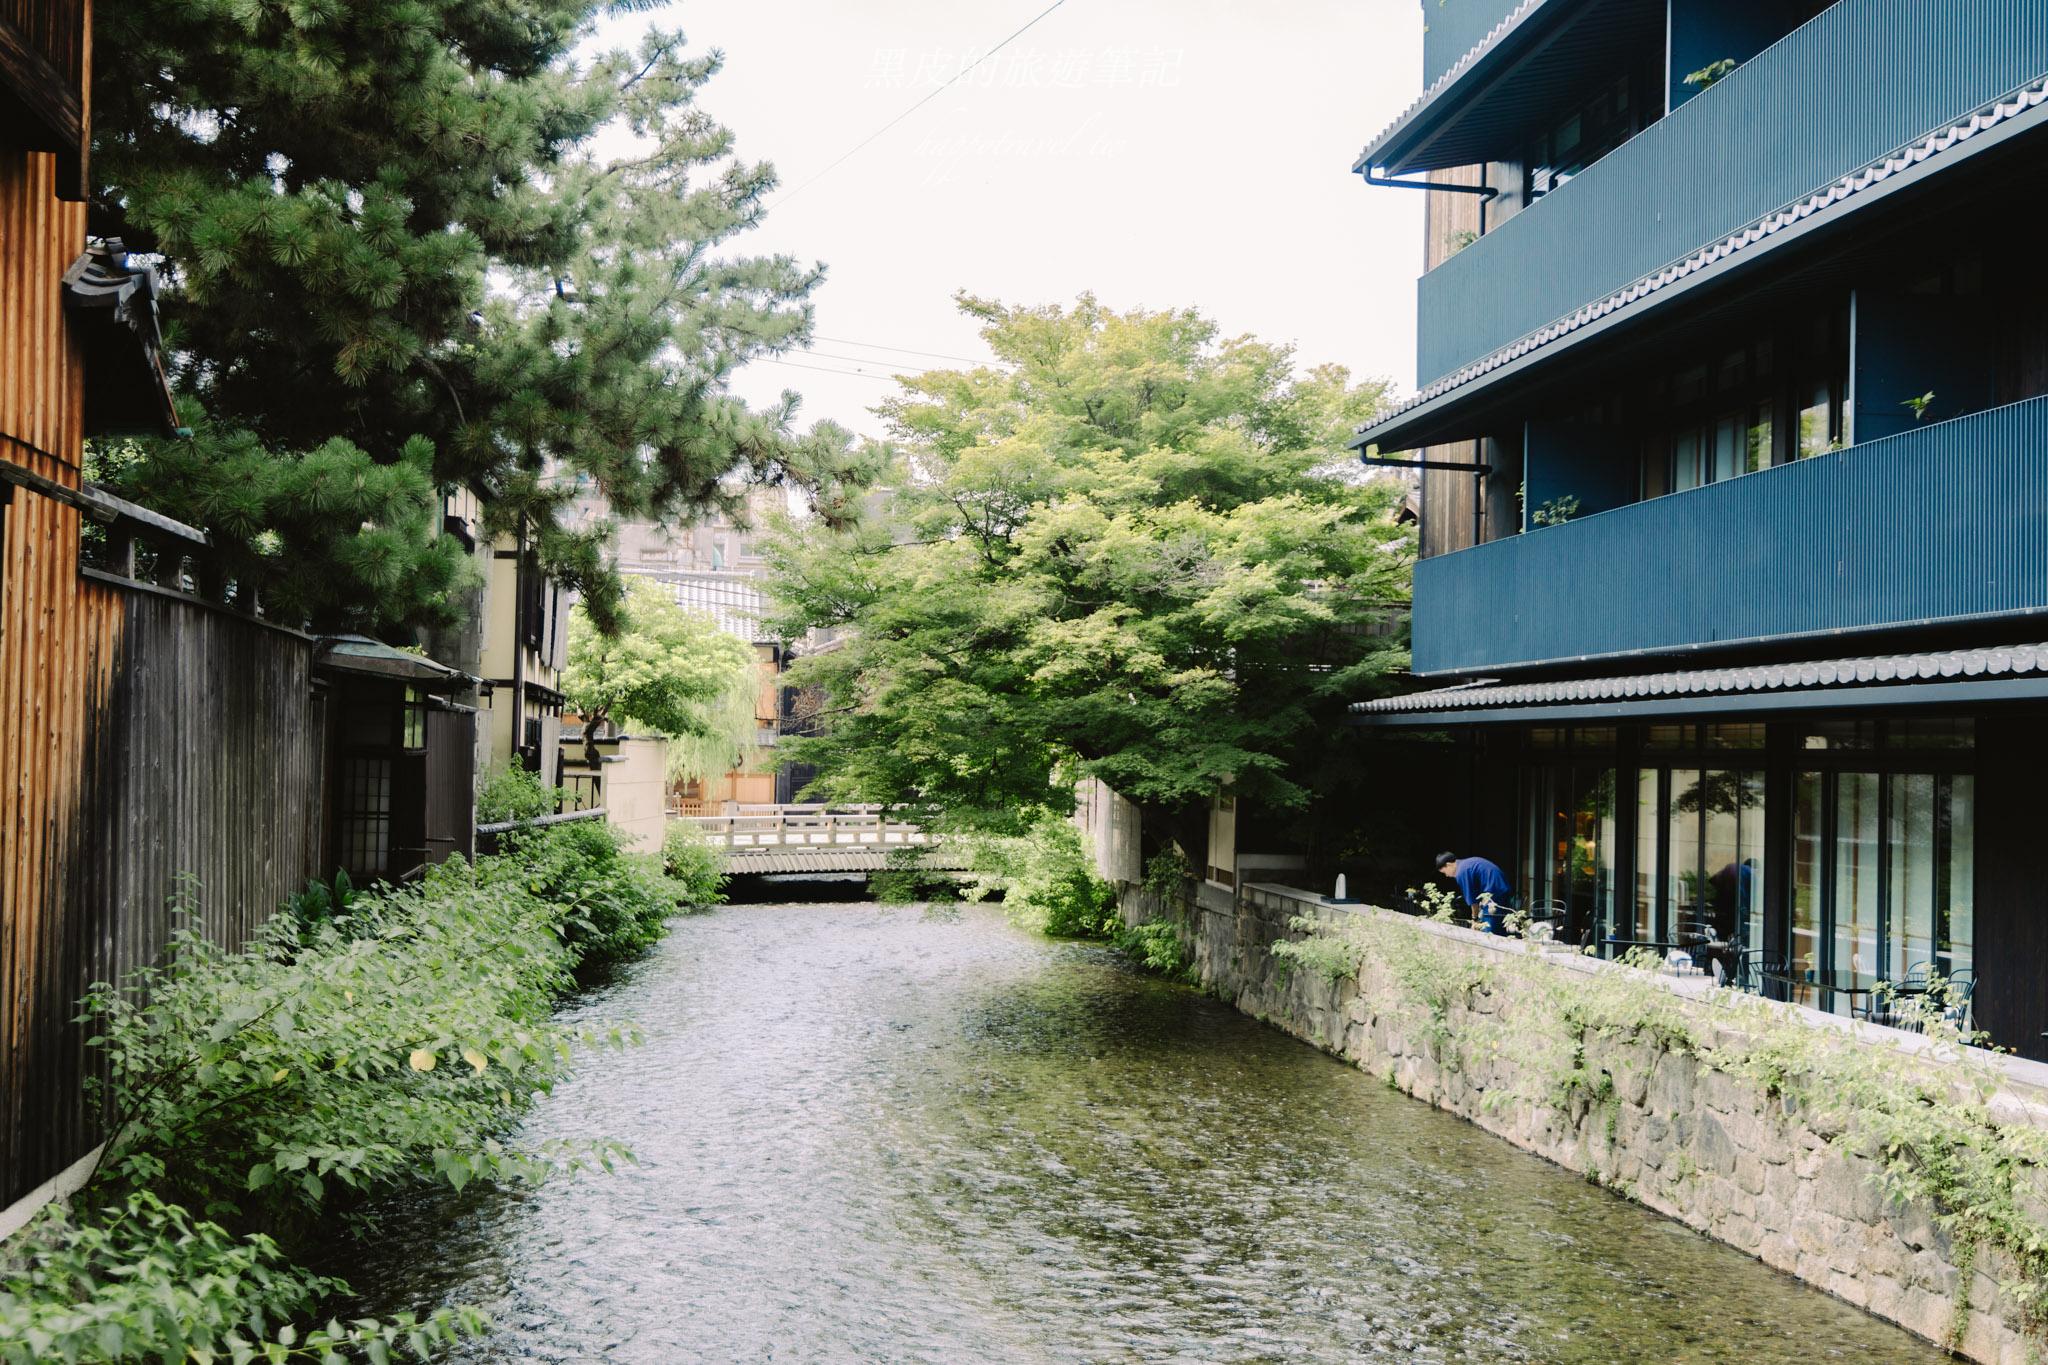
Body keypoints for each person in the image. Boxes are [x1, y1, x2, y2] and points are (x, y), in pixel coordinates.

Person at [1436, 851, 1514, 934]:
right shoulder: (1467, 864)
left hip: (1493, 893)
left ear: (1448, 865)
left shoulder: (1461, 872)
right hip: (1502, 888)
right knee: (1500, 925)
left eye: (1444, 872)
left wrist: (1474, 919)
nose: (1447, 875)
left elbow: (1472, 901)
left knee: (1488, 929)